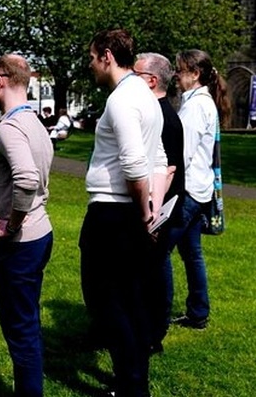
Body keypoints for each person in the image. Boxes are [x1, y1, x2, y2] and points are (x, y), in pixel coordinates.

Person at [80, 29, 167, 397]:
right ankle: (134, 383)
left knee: (108, 303)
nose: (90, 65)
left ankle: (131, 386)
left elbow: (134, 163)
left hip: (112, 214)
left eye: (92, 57)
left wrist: (145, 211)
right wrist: (152, 207)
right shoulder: (146, 97)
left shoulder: (121, 100)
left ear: (107, 56)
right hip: (130, 212)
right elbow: (159, 159)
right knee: (132, 302)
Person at [0, 54, 53, 397]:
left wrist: (12, 225)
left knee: (20, 328)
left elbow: (26, 179)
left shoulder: (10, 127)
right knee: (27, 321)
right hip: (39, 234)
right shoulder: (34, 123)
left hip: (20, 243)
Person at [168, 49, 230, 330]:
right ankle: (198, 312)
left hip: (189, 191)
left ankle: (155, 314)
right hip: (200, 189)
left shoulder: (195, 106)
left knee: (159, 252)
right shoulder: (201, 102)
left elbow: (183, 153)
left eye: (180, 70)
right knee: (192, 254)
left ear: (194, 74)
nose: (176, 75)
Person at [134, 52, 185, 353]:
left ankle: (155, 332)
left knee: (155, 269)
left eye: (136, 75)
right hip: (160, 207)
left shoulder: (163, 118)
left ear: (152, 80)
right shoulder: (157, 113)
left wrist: (152, 214)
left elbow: (168, 169)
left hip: (162, 209)